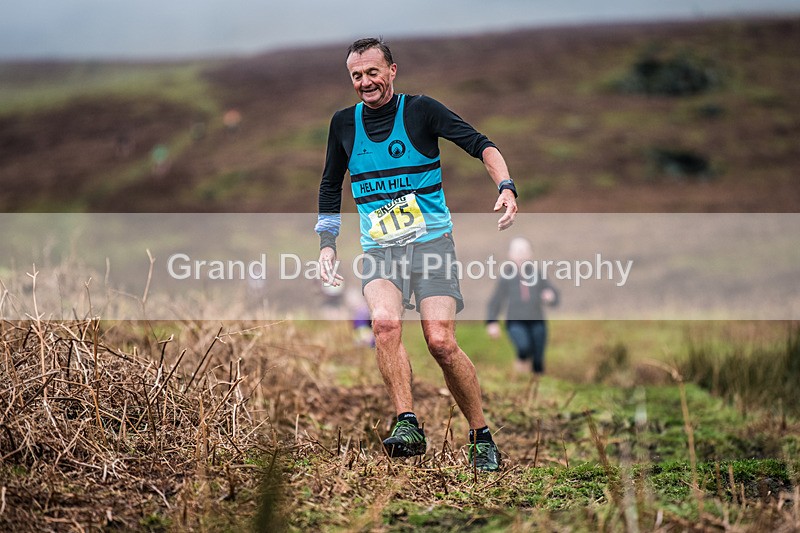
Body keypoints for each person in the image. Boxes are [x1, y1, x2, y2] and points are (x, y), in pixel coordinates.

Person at [315, 38, 518, 472]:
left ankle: (481, 435)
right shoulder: (343, 124)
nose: (365, 82)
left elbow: (482, 144)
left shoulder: (422, 110)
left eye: (372, 72)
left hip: (432, 246)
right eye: (356, 75)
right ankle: (407, 422)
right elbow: (331, 184)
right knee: (385, 325)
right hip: (380, 250)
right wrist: (327, 244)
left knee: (440, 342)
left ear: (391, 71)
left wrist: (505, 187)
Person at [486, 237, 558, 374]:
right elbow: (495, 301)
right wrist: (492, 322)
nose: (521, 255)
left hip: (537, 320)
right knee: (524, 348)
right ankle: (520, 377)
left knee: (538, 359)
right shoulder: (506, 277)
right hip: (515, 321)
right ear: (510, 255)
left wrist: (550, 296)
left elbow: (553, 294)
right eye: (517, 252)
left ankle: (538, 385)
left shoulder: (537, 275)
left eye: (524, 252)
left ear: (530, 254)